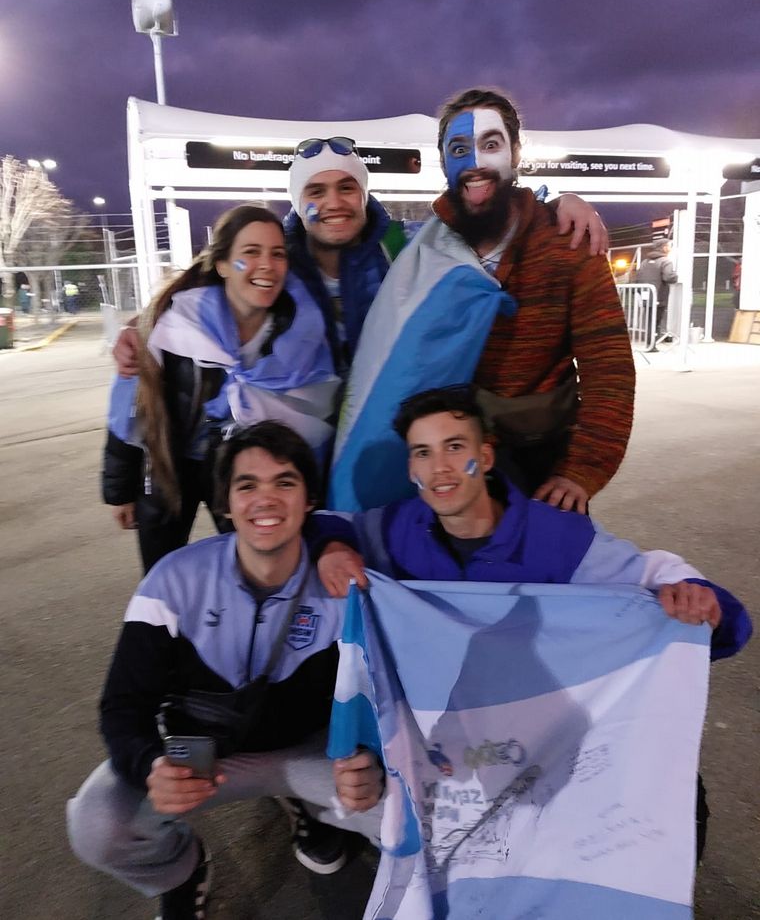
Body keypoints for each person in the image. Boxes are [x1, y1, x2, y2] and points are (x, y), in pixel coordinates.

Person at [312, 386, 752, 864]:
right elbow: (324, 524)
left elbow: (658, 577)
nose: (439, 468)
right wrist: (335, 548)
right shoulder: (398, 529)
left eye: (455, 447)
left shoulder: (557, 537)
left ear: (486, 454)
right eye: (423, 452)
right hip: (462, 743)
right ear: (411, 469)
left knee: (677, 797)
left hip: (550, 727)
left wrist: (702, 602)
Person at [69, 422, 384, 919]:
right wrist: (153, 765)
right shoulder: (174, 580)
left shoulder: (347, 583)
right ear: (224, 504)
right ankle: (182, 870)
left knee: (406, 812)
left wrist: (369, 761)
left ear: (308, 502)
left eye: (285, 482)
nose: (267, 499)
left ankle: (310, 805)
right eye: (246, 485)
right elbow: (123, 705)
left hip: (313, 751)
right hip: (202, 752)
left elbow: (384, 698)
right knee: (98, 824)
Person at [342, 88, 635, 514]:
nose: (475, 163)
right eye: (459, 149)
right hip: (455, 466)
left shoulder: (568, 244)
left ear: (516, 153)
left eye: (491, 145)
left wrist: (581, 470)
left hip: (543, 462)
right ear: (444, 162)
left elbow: (609, 370)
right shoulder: (422, 251)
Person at [114, 139, 609, 378]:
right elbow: (208, 288)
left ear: (363, 193)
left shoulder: (404, 246)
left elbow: (488, 224)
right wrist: (144, 324)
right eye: (317, 190)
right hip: (303, 440)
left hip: (386, 432)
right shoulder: (275, 261)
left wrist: (553, 202)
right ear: (297, 200)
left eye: (347, 187)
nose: (334, 202)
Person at [103, 205, 339, 573]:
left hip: (243, 475)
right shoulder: (173, 327)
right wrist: (119, 489)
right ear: (222, 264)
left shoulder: (302, 337)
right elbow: (130, 407)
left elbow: (313, 421)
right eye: (250, 252)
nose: (267, 264)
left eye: (277, 253)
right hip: (168, 468)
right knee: (163, 578)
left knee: (255, 574)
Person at [635, 238, 678, 337]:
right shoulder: (666, 261)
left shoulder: (645, 262)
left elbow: (638, 276)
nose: (671, 248)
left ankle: (650, 341)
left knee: (650, 318)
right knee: (656, 319)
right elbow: (669, 277)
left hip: (646, 295)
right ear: (664, 248)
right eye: (669, 246)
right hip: (659, 295)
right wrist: (675, 276)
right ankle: (652, 342)